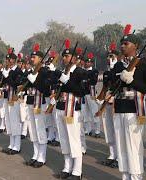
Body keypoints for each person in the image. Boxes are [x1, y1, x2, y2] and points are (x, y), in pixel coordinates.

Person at [110, 24, 146, 180]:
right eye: (122, 43)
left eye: (126, 44)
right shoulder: (119, 65)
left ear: (136, 46)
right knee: (122, 148)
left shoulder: (144, 64)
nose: (122, 46)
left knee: (133, 148)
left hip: (134, 111)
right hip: (119, 109)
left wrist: (132, 81)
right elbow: (112, 84)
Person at [51, 39, 87, 179]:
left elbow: (81, 91)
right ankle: (67, 167)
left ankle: (77, 171)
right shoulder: (61, 72)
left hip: (72, 109)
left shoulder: (80, 72)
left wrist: (67, 80)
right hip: (60, 107)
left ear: (74, 57)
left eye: (67, 56)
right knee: (64, 140)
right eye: (64, 56)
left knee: (74, 140)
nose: (65, 58)